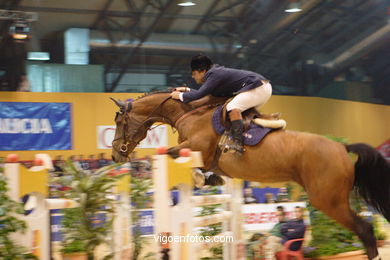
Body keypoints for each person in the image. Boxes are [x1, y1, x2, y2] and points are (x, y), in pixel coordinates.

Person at [170, 54, 272, 155]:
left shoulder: (214, 73)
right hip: (261, 88)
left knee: (232, 107)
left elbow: (200, 94)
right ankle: (249, 139)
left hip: (257, 87)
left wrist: (180, 96)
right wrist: (186, 90)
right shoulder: (215, 74)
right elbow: (206, 93)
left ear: (203, 70)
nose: (193, 76)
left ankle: (238, 143)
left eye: (194, 73)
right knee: (240, 114)